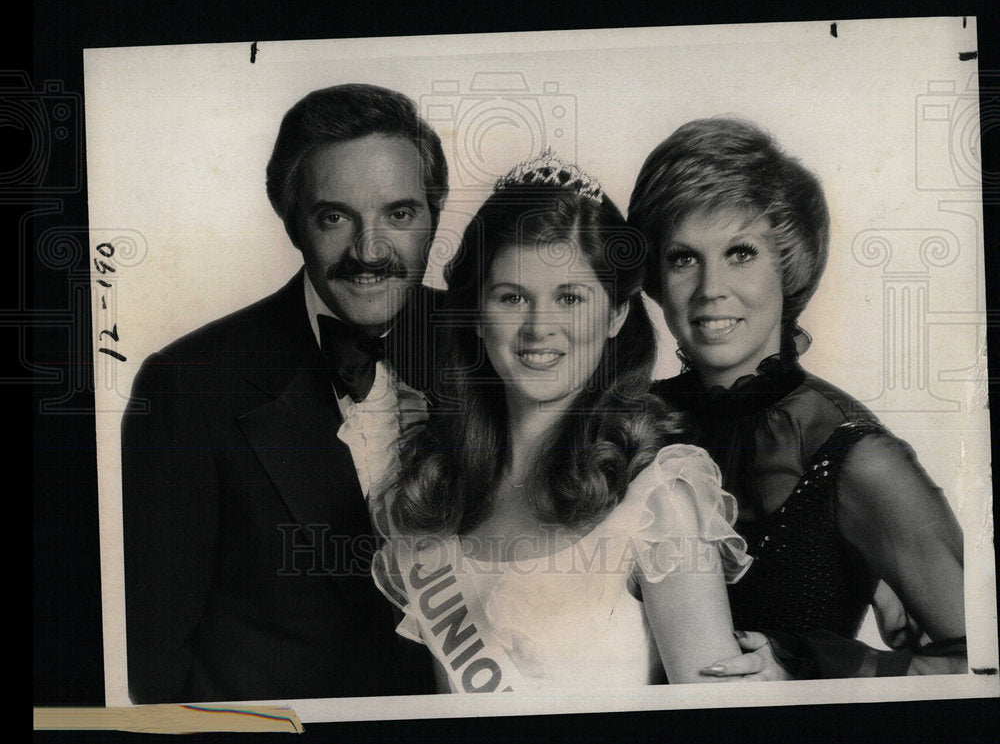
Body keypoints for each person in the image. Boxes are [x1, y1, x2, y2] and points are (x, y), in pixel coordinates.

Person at [370, 150, 752, 692]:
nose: (537, 328)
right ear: (477, 314)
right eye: (511, 297)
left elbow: (719, 721)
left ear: (617, 313)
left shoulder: (656, 500)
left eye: (569, 297)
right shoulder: (435, 489)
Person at [120, 84, 445, 702]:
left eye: (399, 214)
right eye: (335, 216)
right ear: (292, 220)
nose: (370, 251)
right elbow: (156, 665)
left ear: (434, 214)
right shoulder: (186, 386)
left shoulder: (492, 346)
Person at [627, 116, 967, 679]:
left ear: (788, 263)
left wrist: (811, 667)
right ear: (656, 279)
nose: (711, 289)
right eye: (683, 257)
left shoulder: (856, 458)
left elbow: (983, 662)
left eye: (741, 253)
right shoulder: (630, 421)